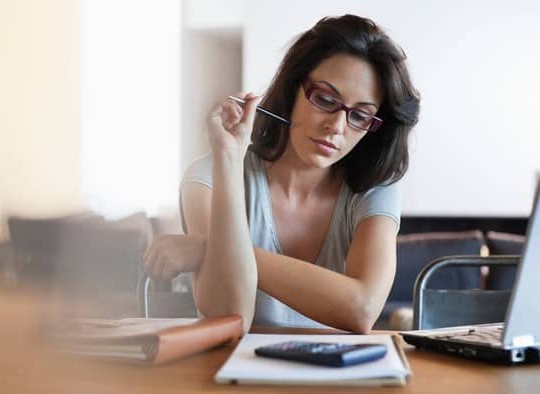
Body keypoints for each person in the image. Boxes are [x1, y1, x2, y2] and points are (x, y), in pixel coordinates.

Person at [143, 14, 420, 333]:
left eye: (360, 116)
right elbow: (228, 315)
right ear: (292, 90)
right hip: (230, 375)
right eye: (325, 99)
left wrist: (211, 249)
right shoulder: (208, 176)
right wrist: (229, 159)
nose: (337, 126)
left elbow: (361, 309)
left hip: (334, 378)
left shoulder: (374, 188)